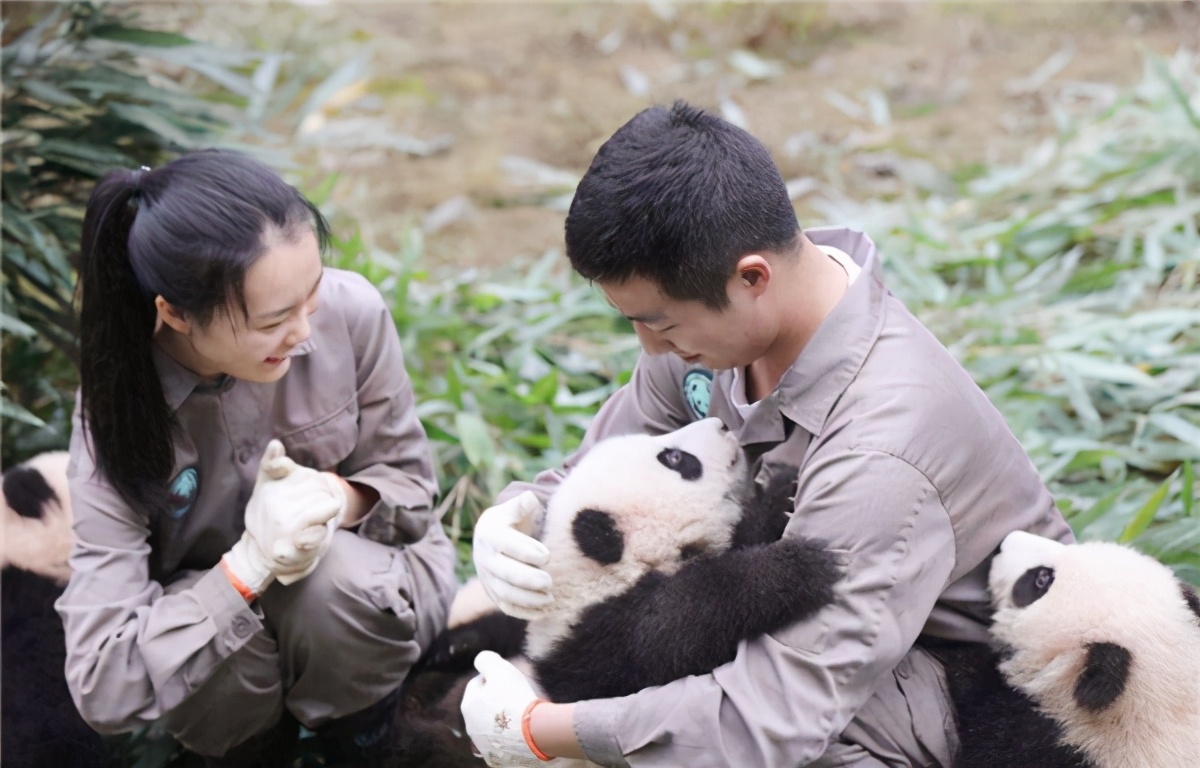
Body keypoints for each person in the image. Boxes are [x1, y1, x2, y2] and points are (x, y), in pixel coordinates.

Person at [460, 101, 1074, 767]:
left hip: (990, 703)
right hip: (859, 642)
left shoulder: (880, 447)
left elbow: (779, 715)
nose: (649, 348)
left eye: (661, 325)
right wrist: (523, 512)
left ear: (752, 276)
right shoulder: (715, 336)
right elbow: (605, 477)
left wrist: (542, 728)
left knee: (726, 704)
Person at [55, 150, 457, 766]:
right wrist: (244, 570)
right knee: (217, 622)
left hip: (369, 594)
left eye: (312, 294)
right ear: (176, 314)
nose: (303, 332)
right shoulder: (114, 415)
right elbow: (103, 680)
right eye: (273, 320)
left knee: (324, 578)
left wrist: (333, 500)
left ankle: (367, 735)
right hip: (225, 656)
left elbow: (410, 492)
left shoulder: (353, 315)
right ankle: (249, 747)